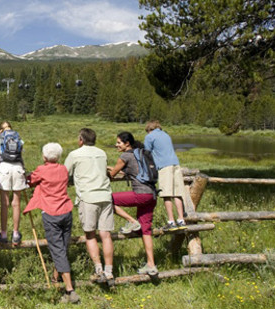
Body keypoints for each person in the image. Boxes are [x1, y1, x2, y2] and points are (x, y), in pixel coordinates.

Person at [24, 142, 79, 304]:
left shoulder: (41, 170)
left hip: (51, 212)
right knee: (63, 246)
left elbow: (30, 180)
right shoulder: (63, 169)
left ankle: (70, 290)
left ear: (44, 156)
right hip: (66, 210)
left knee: (58, 250)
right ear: (59, 156)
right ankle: (56, 280)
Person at [64, 127, 116, 284]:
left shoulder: (75, 154)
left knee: (90, 235)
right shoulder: (102, 153)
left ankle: (98, 269)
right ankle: (109, 271)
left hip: (88, 197)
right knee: (105, 235)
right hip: (106, 196)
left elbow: (64, 173)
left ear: (81, 140)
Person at [107, 131, 159, 276]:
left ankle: (131, 221)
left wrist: (105, 170)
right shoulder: (139, 153)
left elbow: (111, 175)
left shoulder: (125, 156)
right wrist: (118, 170)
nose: (116, 145)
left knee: (106, 200)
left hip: (141, 194)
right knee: (146, 230)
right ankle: (151, 265)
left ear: (127, 143)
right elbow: (131, 171)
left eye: (119, 142)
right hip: (152, 194)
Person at [144, 120, 187, 231]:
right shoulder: (166, 135)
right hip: (175, 164)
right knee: (177, 193)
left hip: (164, 166)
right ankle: (181, 220)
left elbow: (146, 154)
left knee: (166, 194)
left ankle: (171, 221)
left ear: (149, 129)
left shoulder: (149, 137)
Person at [0, 121, 26, 246]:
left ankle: (3, 234)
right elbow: (20, 155)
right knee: (16, 203)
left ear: (0, 130)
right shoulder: (18, 137)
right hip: (18, 168)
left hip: (4, 168)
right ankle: (15, 234)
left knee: (4, 203)